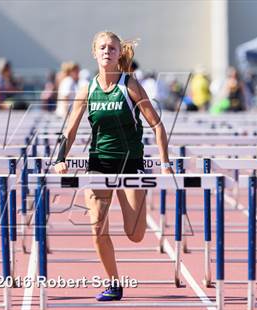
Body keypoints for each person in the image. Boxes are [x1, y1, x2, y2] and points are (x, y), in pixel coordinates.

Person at [54, 31, 172, 302]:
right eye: (102, 48)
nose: (107, 51)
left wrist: (165, 164)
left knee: (136, 235)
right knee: (97, 229)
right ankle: (114, 284)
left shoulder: (129, 84)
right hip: (99, 164)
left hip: (130, 164)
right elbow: (69, 131)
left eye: (112, 48)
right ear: (94, 53)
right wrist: (60, 159)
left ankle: (133, 212)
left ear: (119, 54)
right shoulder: (88, 89)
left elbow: (157, 125)